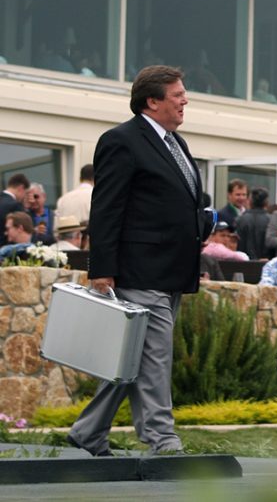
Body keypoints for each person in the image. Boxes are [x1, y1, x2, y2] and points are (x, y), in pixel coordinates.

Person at [68, 65, 208, 457]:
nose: (185, 100)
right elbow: (107, 208)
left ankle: (88, 432)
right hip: (138, 270)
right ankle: (162, 438)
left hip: (172, 271)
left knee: (130, 358)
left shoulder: (175, 143)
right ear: (152, 101)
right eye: (177, 94)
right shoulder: (121, 141)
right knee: (155, 357)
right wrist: (102, 270)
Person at [235, 187, 272, 260]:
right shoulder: (272, 220)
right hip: (266, 262)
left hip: (244, 262)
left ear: (250, 201)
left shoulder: (240, 220)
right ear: (266, 202)